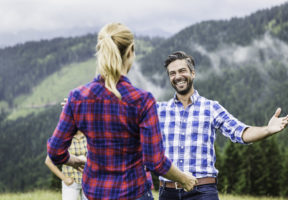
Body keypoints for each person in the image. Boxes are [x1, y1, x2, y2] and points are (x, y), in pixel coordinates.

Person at [47, 23, 197, 200]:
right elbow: (155, 161)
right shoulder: (142, 100)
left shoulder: (77, 97)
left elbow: (56, 151)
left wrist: (73, 160)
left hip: (95, 194)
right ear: (130, 52)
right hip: (134, 193)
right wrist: (184, 179)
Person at [157, 51, 288, 200]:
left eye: (182, 71)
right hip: (167, 192)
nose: (178, 76)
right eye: (172, 73)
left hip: (202, 192)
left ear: (193, 73)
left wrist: (267, 129)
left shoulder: (211, 108)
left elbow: (241, 133)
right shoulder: (159, 110)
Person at [45, 130, 87, 200]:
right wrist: (64, 178)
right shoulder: (64, 138)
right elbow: (48, 161)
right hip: (71, 183)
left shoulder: (88, 135)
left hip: (88, 182)